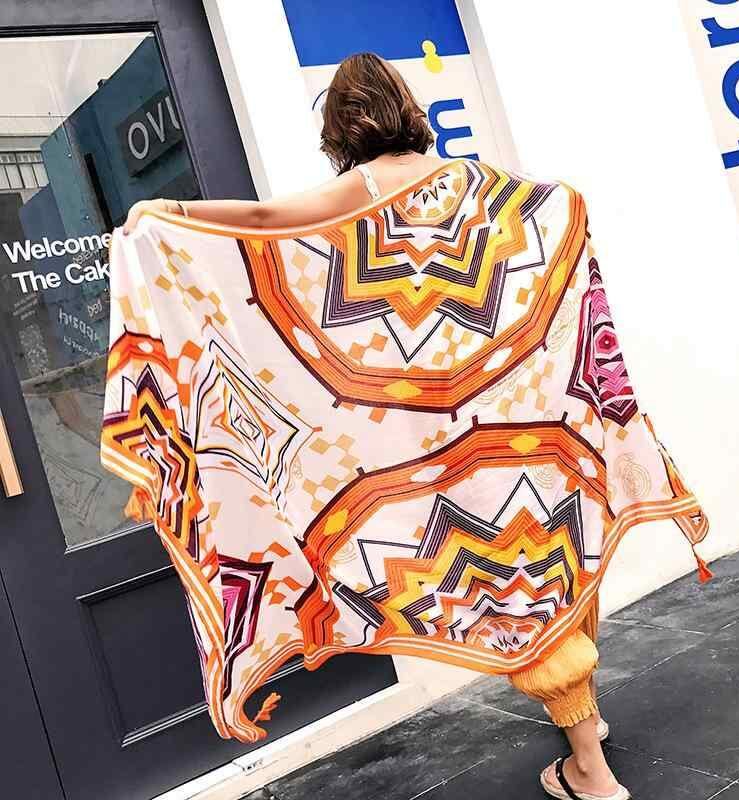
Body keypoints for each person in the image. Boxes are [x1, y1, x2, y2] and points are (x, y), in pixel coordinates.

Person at [123, 52, 625, 800]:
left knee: (513, 595)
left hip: (445, 442)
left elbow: (260, 222)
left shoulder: (360, 189)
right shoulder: (473, 178)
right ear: (407, 109)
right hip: (521, 427)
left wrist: (164, 214)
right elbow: (557, 204)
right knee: (557, 570)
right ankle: (590, 722)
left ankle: (592, 772)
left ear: (344, 126)